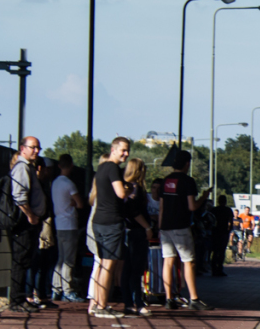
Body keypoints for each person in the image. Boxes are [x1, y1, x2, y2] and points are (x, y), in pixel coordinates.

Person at [159, 151, 212, 310]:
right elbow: (192, 206)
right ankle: (194, 299)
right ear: (187, 164)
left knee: (168, 261)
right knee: (188, 261)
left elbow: (161, 207)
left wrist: (160, 227)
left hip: (165, 227)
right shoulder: (188, 181)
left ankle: (169, 298)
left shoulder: (165, 181)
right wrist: (204, 197)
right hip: (181, 225)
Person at [90, 137, 132, 319]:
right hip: (111, 221)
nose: (126, 154)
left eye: (127, 150)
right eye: (123, 150)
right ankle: (102, 305)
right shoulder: (114, 168)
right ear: (113, 149)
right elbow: (120, 193)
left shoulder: (101, 167)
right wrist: (129, 189)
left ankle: (98, 303)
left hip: (98, 220)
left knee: (101, 263)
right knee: (109, 265)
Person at [7, 138, 48, 313]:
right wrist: (30, 215)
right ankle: (16, 300)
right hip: (25, 221)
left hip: (29, 220)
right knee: (21, 260)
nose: (36, 151)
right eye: (33, 147)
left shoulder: (28, 167)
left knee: (24, 260)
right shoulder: (22, 168)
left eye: (38, 147)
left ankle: (21, 298)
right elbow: (19, 195)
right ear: (23, 149)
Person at [120, 158, 154, 316]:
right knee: (137, 268)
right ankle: (138, 302)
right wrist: (147, 226)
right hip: (138, 230)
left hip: (127, 230)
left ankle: (128, 302)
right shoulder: (136, 188)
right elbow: (134, 211)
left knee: (127, 268)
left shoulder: (125, 187)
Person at [51, 154, 87, 302]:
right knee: (69, 260)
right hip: (70, 224)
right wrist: (72, 202)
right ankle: (68, 290)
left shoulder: (55, 183)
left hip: (59, 223)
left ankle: (56, 288)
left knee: (61, 258)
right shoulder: (69, 184)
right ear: (71, 165)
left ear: (59, 165)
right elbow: (80, 204)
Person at [26, 158, 60, 309]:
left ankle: (39, 294)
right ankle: (31, 295)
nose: (49, 172)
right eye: (47, 169)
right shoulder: (38, 185)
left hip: (42, 223)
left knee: (42, 262)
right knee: (36, 262)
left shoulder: (41, 184)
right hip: (41, 224)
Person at [209, 195, 234, 276]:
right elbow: (230, 221)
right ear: (225, 201)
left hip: (215, 232)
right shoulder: (228, 210)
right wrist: (229, 230)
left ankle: (213, 269)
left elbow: (210, 220)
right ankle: (220, 268)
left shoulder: (214, 210)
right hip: (224, 232)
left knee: (215, 251)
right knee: (222, 251)